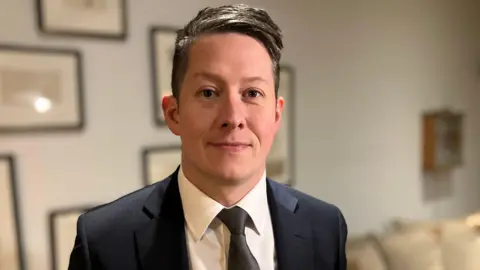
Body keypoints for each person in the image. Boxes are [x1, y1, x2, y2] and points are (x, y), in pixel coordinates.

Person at [68, 4, 348, 270]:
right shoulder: (104, 242)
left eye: (252, 93)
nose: (233, 117)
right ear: (174, 113)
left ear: (276, 115)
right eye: (209, 93)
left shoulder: (325, 227)